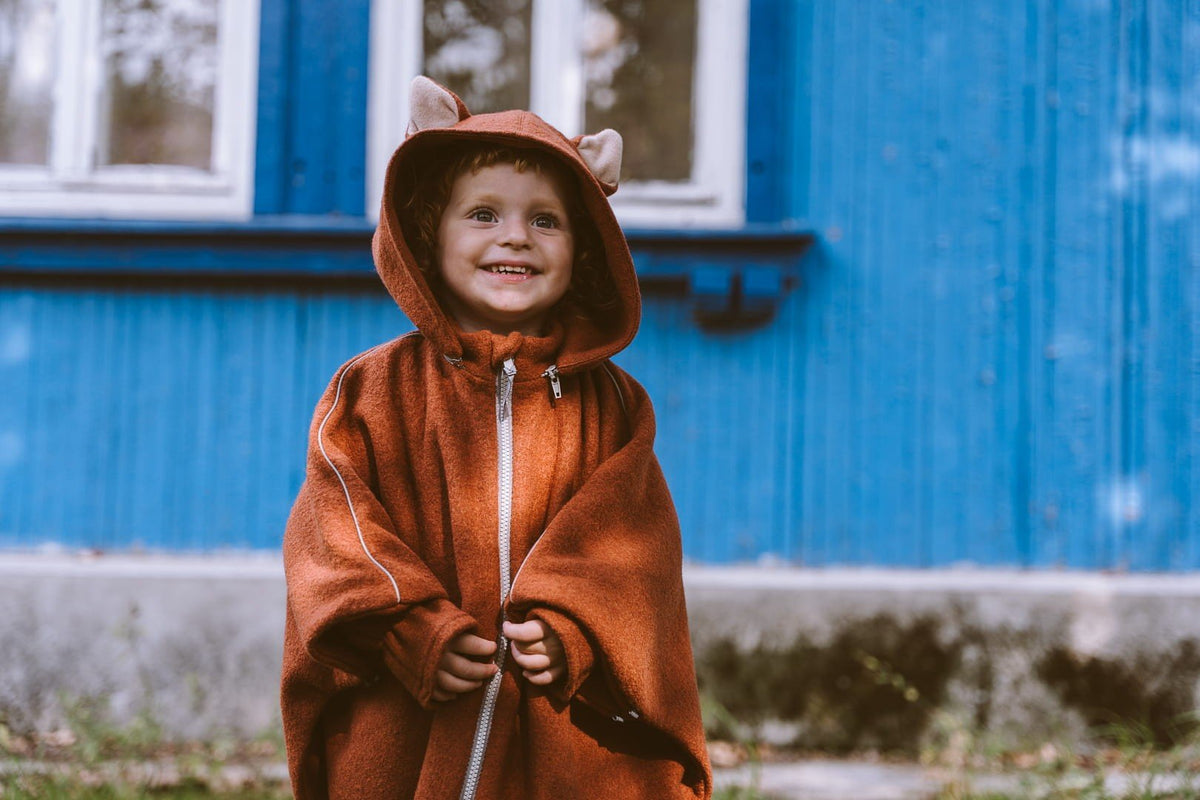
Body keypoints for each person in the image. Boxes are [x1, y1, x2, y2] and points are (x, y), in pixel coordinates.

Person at [280, 76, 711, 800]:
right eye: (483, 213)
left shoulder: (613, 408)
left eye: (547, 221)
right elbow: (333, 529)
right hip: (409, 717)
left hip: (560, 729)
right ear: (427, 234)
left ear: (584, 250)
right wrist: (404, 623)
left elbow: (634, 548)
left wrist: (573, 629)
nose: (516, 235)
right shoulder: (372, 391)